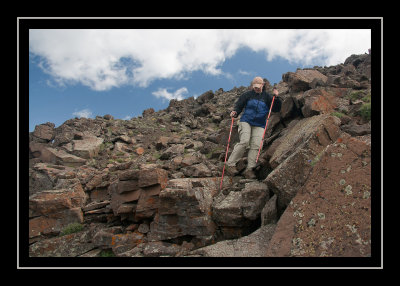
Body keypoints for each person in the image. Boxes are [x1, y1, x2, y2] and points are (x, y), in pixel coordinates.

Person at [226, 76, 282, 179]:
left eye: (258, 86)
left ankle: (250, 169)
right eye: (254, 86)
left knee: (256, 145)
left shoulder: (268, 97)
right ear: (252, 85)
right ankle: (230, 164)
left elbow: (276, 108)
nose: (256, 88)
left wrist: (277, 97)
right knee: (244, 141)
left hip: (260, 124)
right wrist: (235, 112)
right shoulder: (247, 95)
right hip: (246, 121)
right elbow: (239, 106)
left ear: (263, 85)